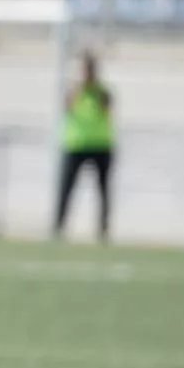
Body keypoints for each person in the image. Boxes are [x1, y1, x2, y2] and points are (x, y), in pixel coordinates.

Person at [55, 52, 116, 241]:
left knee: (103, 190)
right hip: (76, 144)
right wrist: (78, 88)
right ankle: (59, 227)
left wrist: (94, 89)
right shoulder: (74, 91)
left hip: (100, 145)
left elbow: (107, 109)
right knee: (66, 188)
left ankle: (102, 230)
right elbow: (66, 107)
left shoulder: (102, 92)